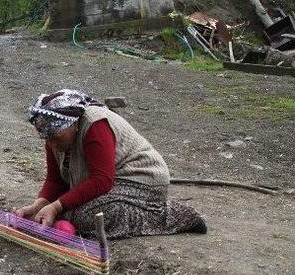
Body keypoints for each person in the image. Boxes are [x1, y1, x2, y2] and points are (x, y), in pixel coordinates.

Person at [14, 89, 207, 239]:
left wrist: (56, 208)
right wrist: (39, 205)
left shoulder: (95, 126)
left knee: (88, 218)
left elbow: (102, 181)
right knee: (72, 212)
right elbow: (56, 182)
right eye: (46, 139)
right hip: (113, 184)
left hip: (141, 179)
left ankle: (173, 215)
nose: (51, 144)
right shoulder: (54, 136)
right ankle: (65, 219)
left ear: (73, 125)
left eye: (56, 138)